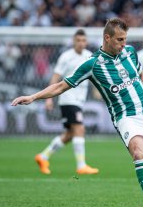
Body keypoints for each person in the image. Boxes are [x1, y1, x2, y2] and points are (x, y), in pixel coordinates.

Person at [11, 18, 143, 207]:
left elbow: (140, 75)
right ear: (107, 38)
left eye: (125, 39)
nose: (123, 44)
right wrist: (33, 97)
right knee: (139, 153)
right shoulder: (92, 64)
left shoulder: (130, 52)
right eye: (119, 39)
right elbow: (61, 86)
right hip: (126, 116)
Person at [34, 29, 99, 175]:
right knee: (79, 129)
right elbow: (55, 78)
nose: (81, 43)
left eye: (83, 40)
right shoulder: (66, 56)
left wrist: (97, 90)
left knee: (70, 134)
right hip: (68, 99)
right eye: (78, 40)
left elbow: (93, 75)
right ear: (73, 41)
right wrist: (49, 99)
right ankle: (81, 165)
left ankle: (43, 156)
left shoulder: (89, 56)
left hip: (79, 100)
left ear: (86, 42)